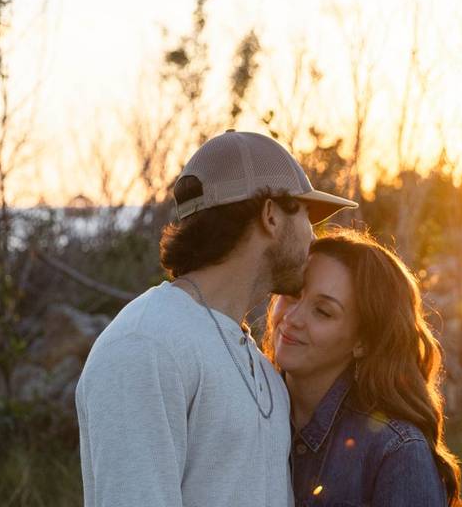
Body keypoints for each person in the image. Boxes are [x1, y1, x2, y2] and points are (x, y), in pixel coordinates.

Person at [75, 130, 357, 507]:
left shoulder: (260, 364)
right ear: (271, 215)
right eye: (307, 217)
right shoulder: (145, 346)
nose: (312, 238)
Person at [264, 227, 462, 506]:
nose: (292, 318)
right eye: (293, 294)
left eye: (323, 311)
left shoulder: (396, 451)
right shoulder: (247, 410)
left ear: (363, 342)